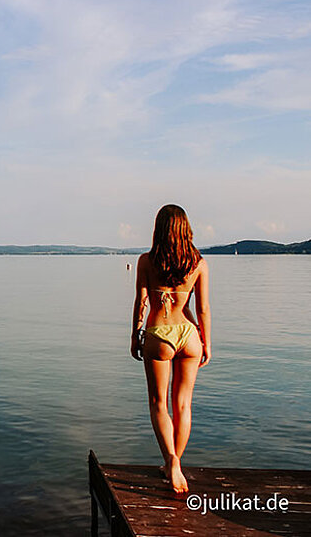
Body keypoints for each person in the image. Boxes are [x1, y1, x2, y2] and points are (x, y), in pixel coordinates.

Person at [130, 204, 212, 494]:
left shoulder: (145, 261)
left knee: (158, 403)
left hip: (158, 334)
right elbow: (201, 309)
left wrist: (133, 335)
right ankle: (174, 464)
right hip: (189, 335)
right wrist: (207, 343)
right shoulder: (199, 263)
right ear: (185, 229)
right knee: (183, 404)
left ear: (159, 229)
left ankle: (171, 461)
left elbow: (141, 302)